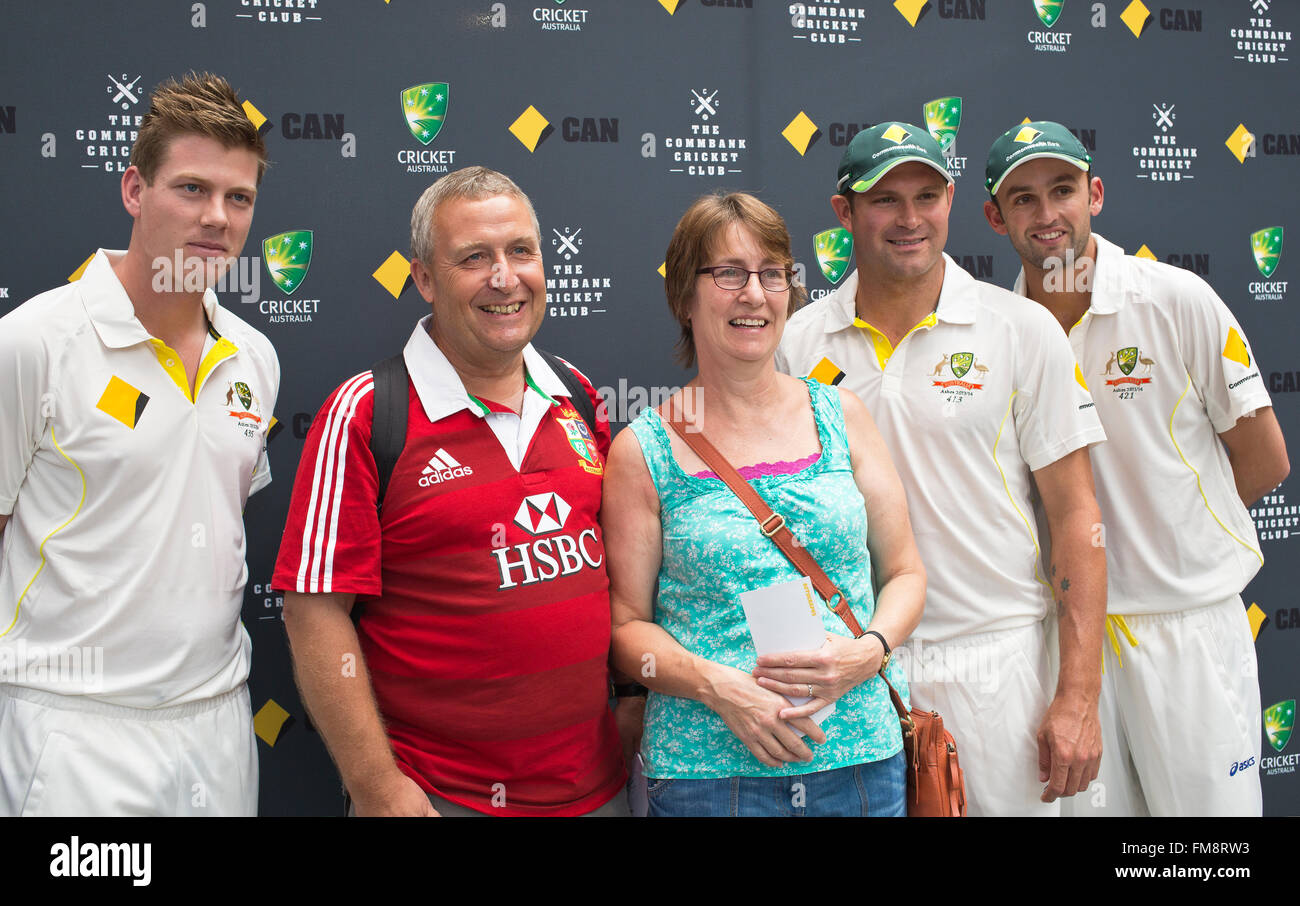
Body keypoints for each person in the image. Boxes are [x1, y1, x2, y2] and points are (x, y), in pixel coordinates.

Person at [272, 166, 632, 817]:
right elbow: (313, 615)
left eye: (521, 250)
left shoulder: (577, 394)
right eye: (474, 258)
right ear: (425, 280)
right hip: (444, 799)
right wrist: (378, 788)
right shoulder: (364, 413)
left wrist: (633, 709)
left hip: (597, 794)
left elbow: (627, 584)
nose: (505, 277)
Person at [777, 122, 1109, 816]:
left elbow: (1078, 514)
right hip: (858, 674)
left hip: (996, 668)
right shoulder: (798, 341)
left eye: (926, 196)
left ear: (951, 200)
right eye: (884, 200)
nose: (909, 219)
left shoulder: (1021, 329)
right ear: (845, 213)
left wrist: (1078, 697)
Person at [982, 121, 1289, 816]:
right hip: (1066, 641)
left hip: (1187, 626)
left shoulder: (1176, 298)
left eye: (1062, 190)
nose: (1047, 214)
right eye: (1023, 199)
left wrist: (1171, 535)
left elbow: (1266, 459)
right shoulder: (998, 332)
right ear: (996, 218)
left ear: (1094, 193)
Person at [0, 72, 277, 816]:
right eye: (191, 189)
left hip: (219, 725)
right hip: (71, 730)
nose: (216, 218)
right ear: (133, 190)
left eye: (238, 197)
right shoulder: (34, 341)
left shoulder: (254, 356)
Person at [603, 191, 926, 817]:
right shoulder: (643, 450)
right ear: (684, 296)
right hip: (708, 778)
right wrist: (723, 690)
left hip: (859, 763)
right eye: (728, 273)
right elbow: (625, 632)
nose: (754, 294)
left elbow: (907, 573)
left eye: (771, 274)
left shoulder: (843, 416)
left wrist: (870, 651)